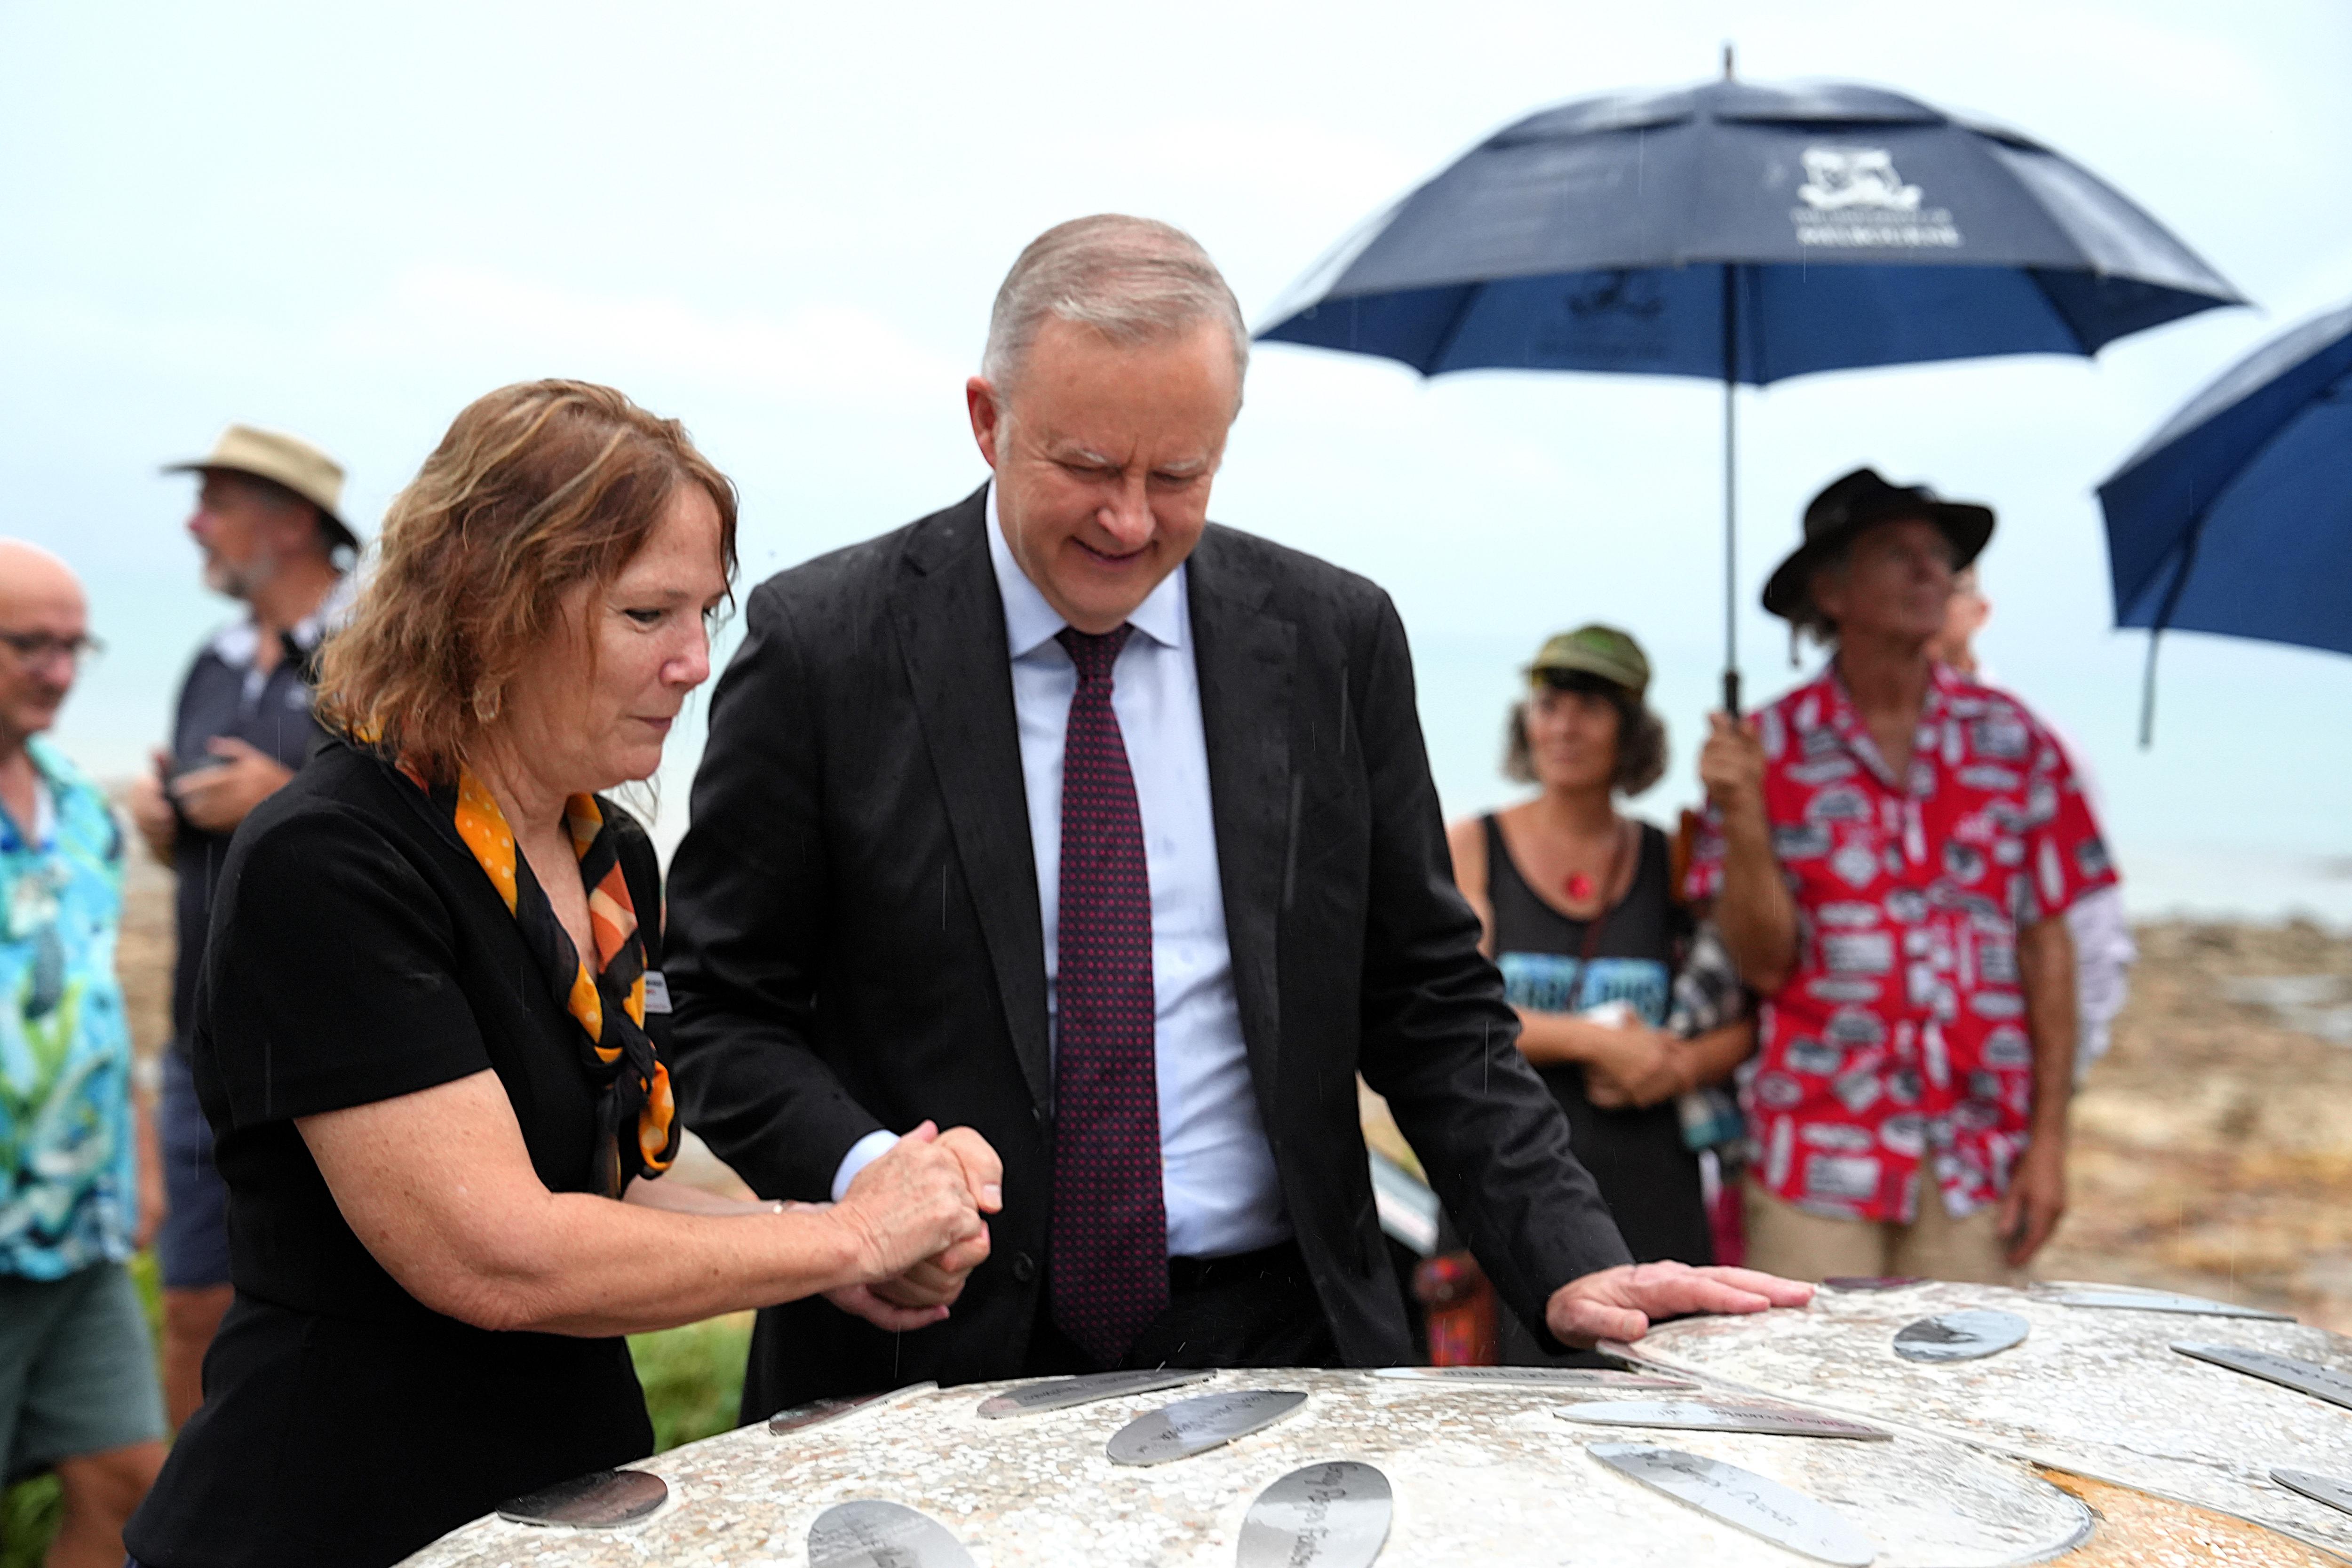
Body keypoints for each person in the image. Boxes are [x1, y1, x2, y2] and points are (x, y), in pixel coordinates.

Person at [665, 214, 1810, 1418]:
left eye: (1177, 476)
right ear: (987, 421)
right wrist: (865, 1177)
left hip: (1286, 1342)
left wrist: (1570, 1253)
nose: (1128, 522)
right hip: (922, 1349)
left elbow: (1427, 1001)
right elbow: (719, 1007)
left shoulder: (1333, 639)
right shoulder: (824, 645)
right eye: (1088, 467)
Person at [125, 382, 997, 1568]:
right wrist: (845, 1243)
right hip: (341, 1515)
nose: (696, 663)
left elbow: (605, 1188)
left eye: (707, 612)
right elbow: (497, 1252)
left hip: (560, 1511)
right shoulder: (330, 857)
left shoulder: (606, 854)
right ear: (488, 606)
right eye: (648, 614)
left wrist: (843, 1228)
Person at [1692, 468, 2113, 1285]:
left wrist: (2051, 1140)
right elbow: (1765, 964)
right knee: (1807, 1402)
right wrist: (1741, 814)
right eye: (1898, 552)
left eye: (1939, 555)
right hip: (1814, 1147)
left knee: (1971, 1398)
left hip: (1978, 1153)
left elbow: (2047, 943)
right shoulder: (1766, 747)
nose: (1933, 572)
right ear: (1831, 590)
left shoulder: (2014, 738)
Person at [125, 424, 355, 1428]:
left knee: (325, 1323)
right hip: (201, 1047)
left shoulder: (374, 651)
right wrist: (166, 824)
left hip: (337, 1053)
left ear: (292, 520)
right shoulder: (211, 663)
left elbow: (429, 824)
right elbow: (213, 857)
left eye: (216, 501)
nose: (194, 523)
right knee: (192, 1307)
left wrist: (280, 799)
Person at [1446, 625, 1755, 1282]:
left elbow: (1750, 1016)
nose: (1564, 728)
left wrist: (1682, 1066)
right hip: (1509, 1190)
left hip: (1649, 1195)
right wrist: (1597, 1042)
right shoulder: (1474, 846)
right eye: (1549, 705)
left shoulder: (1669, 857)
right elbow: (1459, 1017)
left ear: (1633, 731)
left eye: (1590, 708)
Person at [0, 540, 167, 1568]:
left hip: (76, 1230)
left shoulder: (76, 805)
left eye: (75, 646)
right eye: (30, 644)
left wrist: (139, 1153)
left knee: (128, 1484)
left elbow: (101, 1002)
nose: (59, 671)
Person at [1929, 567, 2136, 1083]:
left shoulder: (2034, 747)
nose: (1921, 598)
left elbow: (2091, 928)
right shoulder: (1821, 750)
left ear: (1979, 611)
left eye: (1944, 583)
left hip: (1994, 1090)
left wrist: (2062, 1083)